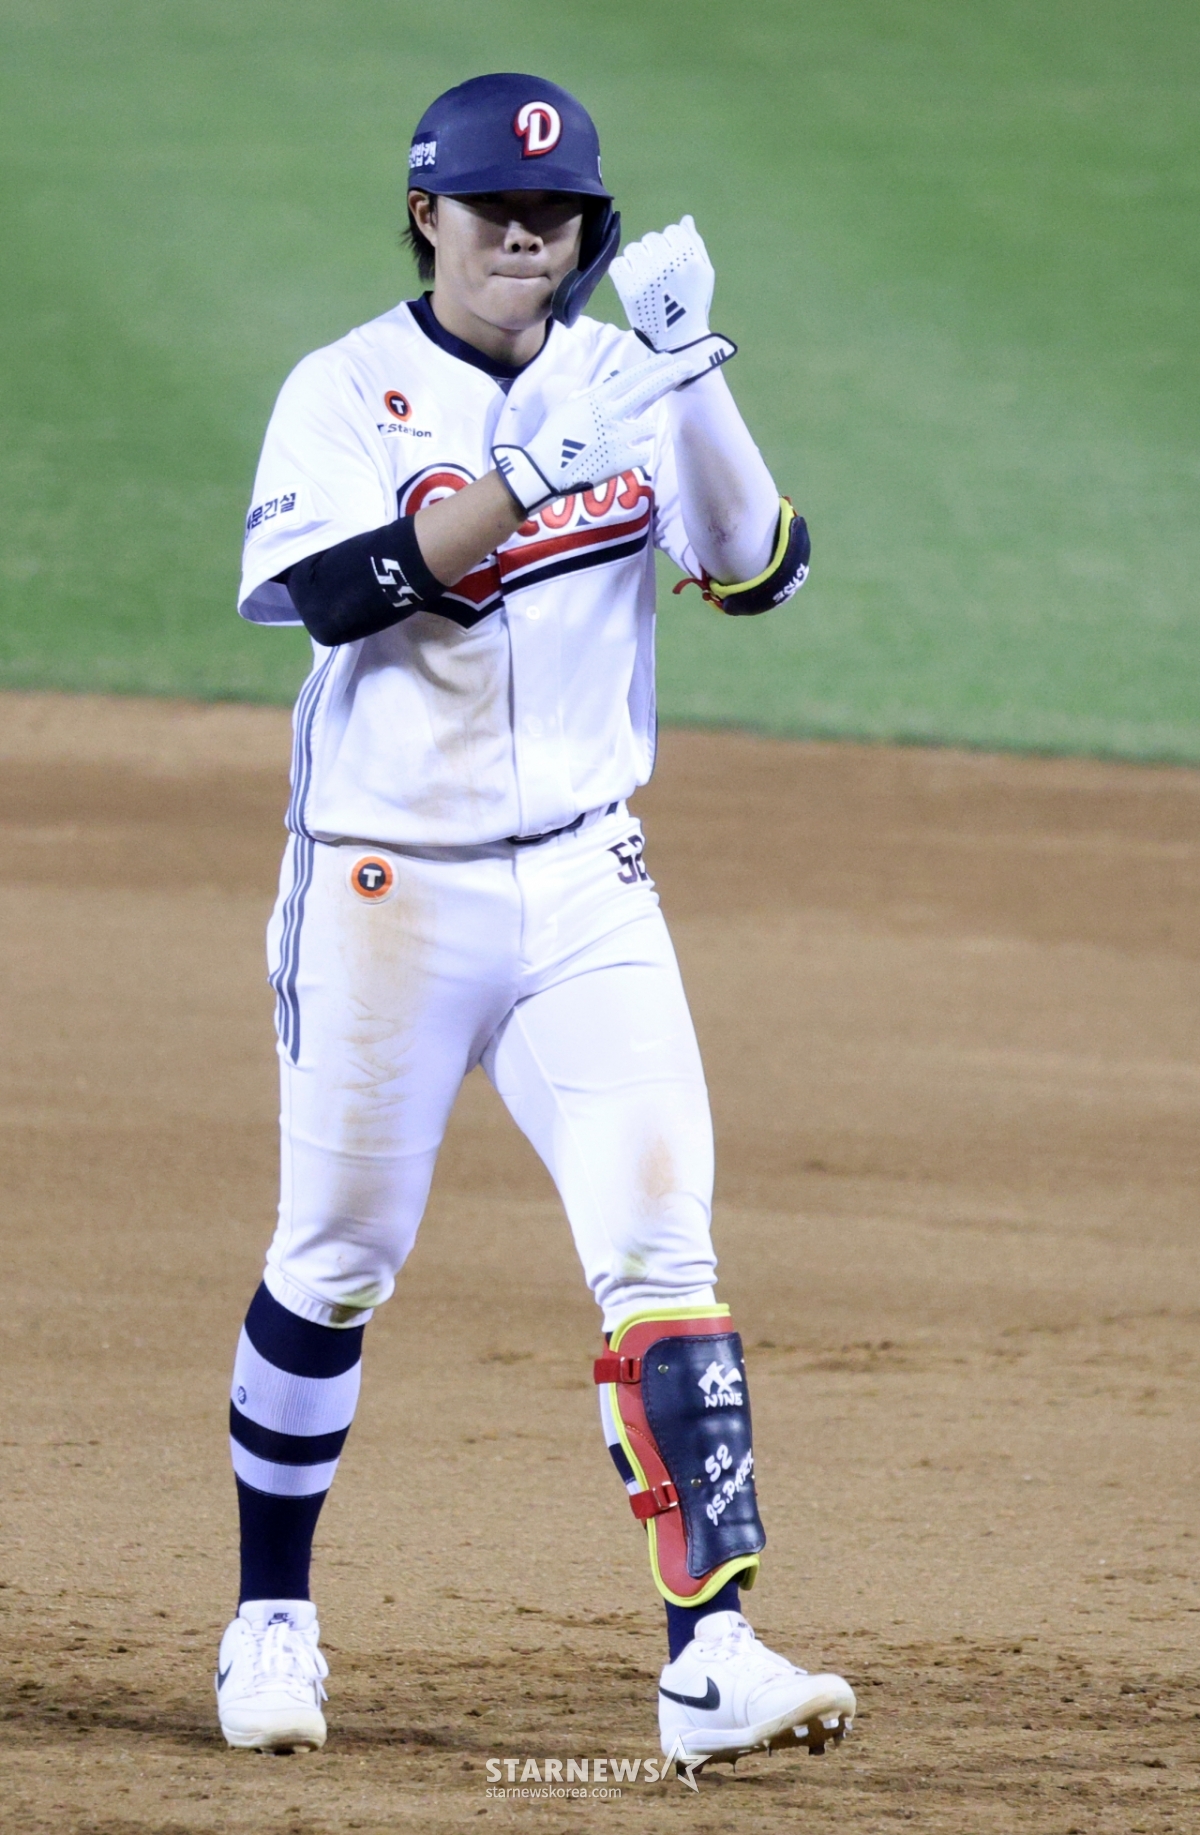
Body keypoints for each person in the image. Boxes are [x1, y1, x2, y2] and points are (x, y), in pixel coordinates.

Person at [216, 71, 854, 1773]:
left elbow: (761, 569)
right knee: (335, 1261)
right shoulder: (343, 388)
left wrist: (691, 369)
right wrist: (513, 480)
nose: (527, 235)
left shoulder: (623, 374)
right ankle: (271, 1614)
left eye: (557, 214)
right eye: (496, 206)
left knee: (665, 1251)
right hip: (384, 886)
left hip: (585, 884)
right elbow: (332, 595)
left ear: (592, 229)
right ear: (425, 212)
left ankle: (710, 1653)